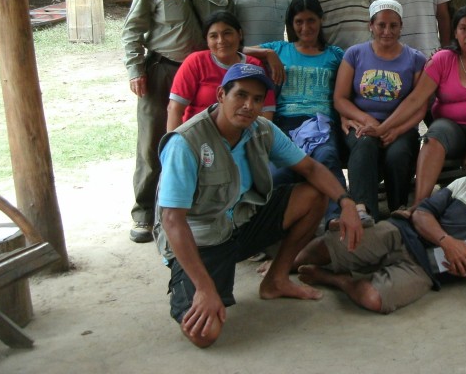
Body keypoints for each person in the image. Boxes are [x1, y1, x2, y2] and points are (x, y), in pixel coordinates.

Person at [155, 62, 363, 348]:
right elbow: (172, 221)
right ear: (220, 96)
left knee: (313, 194)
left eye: (256, 99)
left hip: (241, 221)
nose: (248, 106)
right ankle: (202, 285)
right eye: (240, 95)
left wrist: (347, 202)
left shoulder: (262, 129)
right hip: (202, 240)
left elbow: (311, 169)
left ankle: (276, 279)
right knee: (205, 335)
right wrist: (204, 288)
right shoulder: (187, 142)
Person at [292, 146, 466, 314]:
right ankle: (284, 265)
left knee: (372, 298)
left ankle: (337, 280)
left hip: (426, 269)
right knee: (326, 246)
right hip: (401, 234)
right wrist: (446, 241)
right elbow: (421, 212)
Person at [122, 0, 233, 243]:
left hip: (205, 73)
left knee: (203, 142)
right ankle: (144, 213)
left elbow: (230, 26)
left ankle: (192, 209)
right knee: (153, 142)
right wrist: (135, 69)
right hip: (164, 71)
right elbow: (132, 28)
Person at [361, 6, 466, 204]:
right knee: (435, 136)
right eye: (463, 28)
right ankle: (419, 206)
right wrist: (384, 127)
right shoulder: (442, 59)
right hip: (451, 129)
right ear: (455, 32)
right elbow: (416, 99)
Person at [244, 0, 349, 216]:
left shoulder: (335, 54)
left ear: (320, 20)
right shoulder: (280, 49)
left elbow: (345, 92)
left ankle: (338, 217)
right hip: (285, 123)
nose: (305, 27)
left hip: (322, 124)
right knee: (277, 172)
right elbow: (234, 50)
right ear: (291, 24)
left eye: (311, 20)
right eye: (298, 21)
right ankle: (270, 224)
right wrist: (267, 53)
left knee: (327, 157)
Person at [334, 0, 427, 219]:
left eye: (393, 25)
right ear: (371, 26)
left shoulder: (415, 59)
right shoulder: (354, 54)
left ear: (401, 26)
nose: (387, 31)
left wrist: (393, 129)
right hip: (362, 124)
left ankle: (399, 208)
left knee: (398, 153)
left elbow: (419, 105)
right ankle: (363, 209)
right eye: (381, 25)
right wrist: (370, 121)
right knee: (365, 143)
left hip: (401, 128)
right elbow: (340, 98)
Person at [166, 11, 275, 130]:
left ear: (240, 34)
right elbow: (175, 109)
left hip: (242, 138)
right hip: (199, 135)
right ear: (206, 40)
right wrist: (174, 145)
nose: (221, 41)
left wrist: (259, 143)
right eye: (213, 36)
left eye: (227, 33)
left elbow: (266, 112)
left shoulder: (253, 65)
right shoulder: (196, 62)